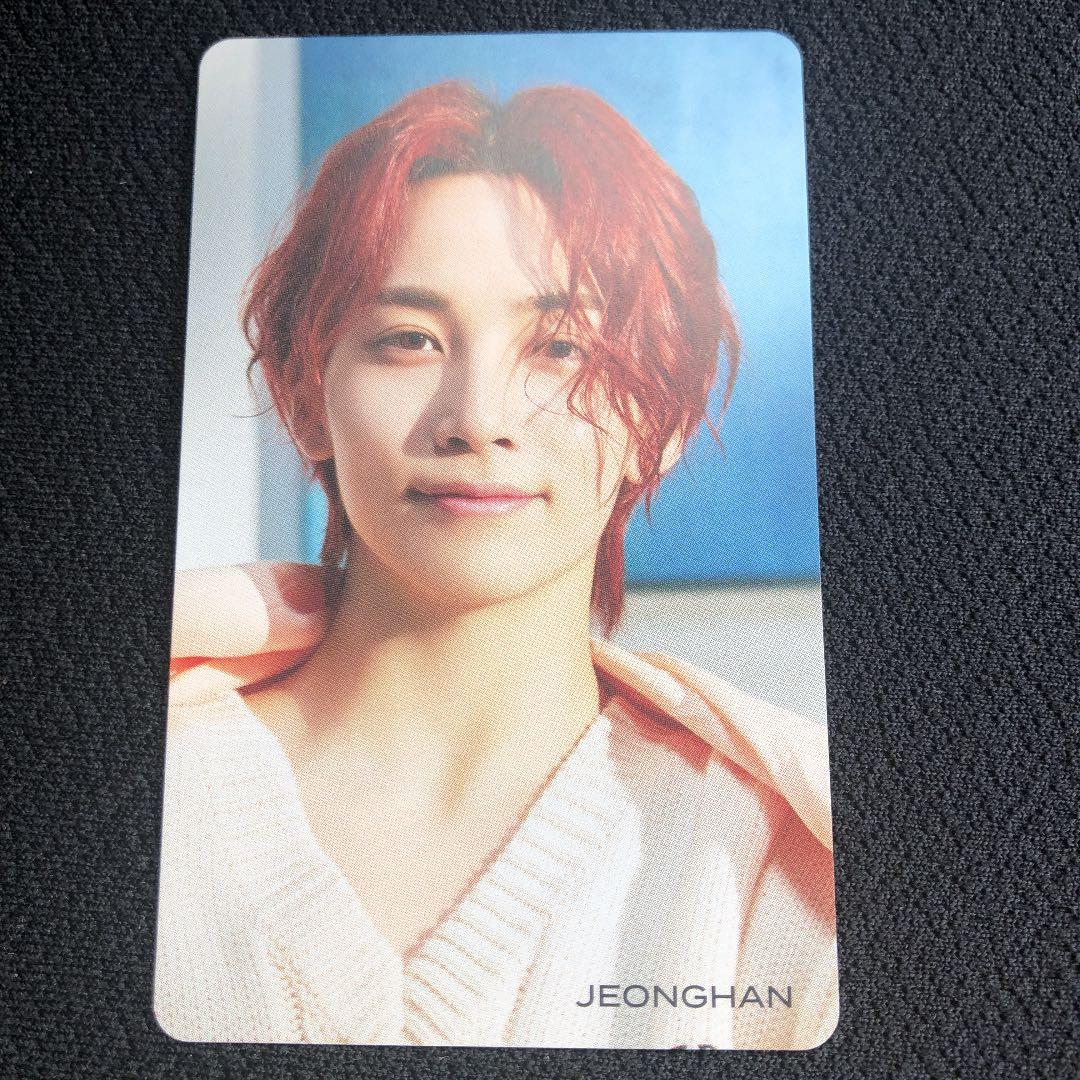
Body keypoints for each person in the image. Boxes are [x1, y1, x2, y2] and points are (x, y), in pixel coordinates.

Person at [154, 80, 837, 1050]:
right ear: (306, 399)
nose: (478, 418)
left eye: (560, 347)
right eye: (409, 340)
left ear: (662, 420)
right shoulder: (136, 785)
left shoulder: (787, 866)